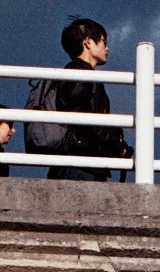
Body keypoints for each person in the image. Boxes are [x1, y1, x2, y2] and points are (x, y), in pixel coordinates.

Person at [47, 17, 133, 182]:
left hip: (76, 164)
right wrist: (116, 146)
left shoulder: (75, 73)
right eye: (102, 41)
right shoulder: (81, 74)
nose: (107, 48)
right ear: (87, 42)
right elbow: (85, 120)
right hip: (80, 166)